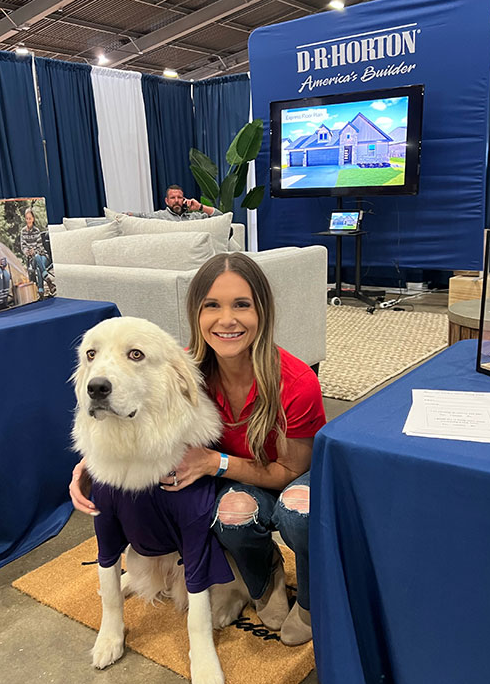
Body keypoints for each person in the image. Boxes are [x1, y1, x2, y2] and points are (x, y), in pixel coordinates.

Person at [69, 252, 326, 646]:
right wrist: (93, 462)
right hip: (235, 482)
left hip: (285, 476)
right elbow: (139, 418)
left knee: (299, 512)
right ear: (196, 313)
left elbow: (290, 471)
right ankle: (264, 577)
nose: (227, 319)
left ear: (263, 311)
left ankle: (310, 602)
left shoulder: (297, 381)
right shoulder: (186, 368)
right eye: (212, 306)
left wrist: (213, 461)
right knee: (234, 514)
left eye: (242, 304)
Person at [129, 184, 222, 221]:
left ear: (184, 199)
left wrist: (200, 207)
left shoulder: (194, 216)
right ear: (167, 201)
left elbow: (221, 217)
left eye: (179, 197)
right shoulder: (160, 216)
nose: (177, 200)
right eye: (173, 198)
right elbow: (141, 216)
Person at [20, 208, 55, 299]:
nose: (28, 221)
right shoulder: (23, 231)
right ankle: (47, 280)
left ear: (33, 219)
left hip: (43, 256)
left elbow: (40, 247)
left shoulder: (37, 231)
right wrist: (28, 252)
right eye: (27, 218)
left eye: (30, 218)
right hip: (32, 259)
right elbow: (23, 247)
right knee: (36, 259)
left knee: (39, 265)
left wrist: (34, 251)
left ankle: (41, 292)